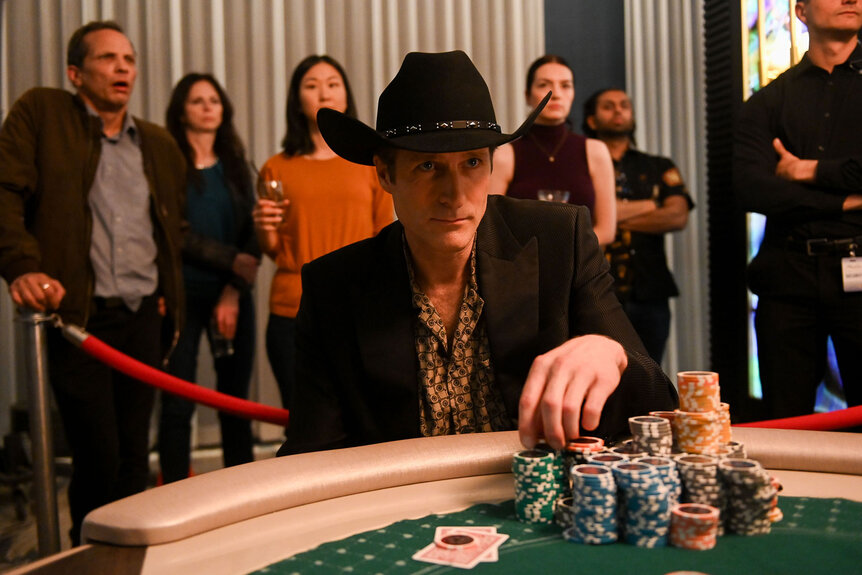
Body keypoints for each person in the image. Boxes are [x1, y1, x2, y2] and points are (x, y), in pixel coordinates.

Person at [279, 50, 676, 457]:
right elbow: (312, 454)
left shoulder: (559, 239)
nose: (454, 195)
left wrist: (613, 356)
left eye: (471, 162)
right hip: (400, 507)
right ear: (385, 173)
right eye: (428, 167)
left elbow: (658, 403)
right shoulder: (335, 286)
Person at [0, 21, 186, 544]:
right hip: (79, 318)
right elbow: (5, 191)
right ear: (75, 74)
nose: (123, 67)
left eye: (128, 59)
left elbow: (173, 228)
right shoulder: (42, 114)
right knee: (97, 456)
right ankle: (91, 555)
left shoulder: (157, 143)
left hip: (144, 316)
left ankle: (132, 557)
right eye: (108, 59)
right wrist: (21, 265)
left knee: (133, 456)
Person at [733, 0, 862, 419]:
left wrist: (806, 170)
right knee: (786, 420)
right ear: (801, 11)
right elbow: (751, 188)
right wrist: (844, 198)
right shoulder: (768, 101)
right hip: (788, 276)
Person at [253, 55, 394, 410]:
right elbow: (273, 249)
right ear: (297, 100)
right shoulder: (276, 167)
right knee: (303, 420)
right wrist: (262, 228)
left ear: (346, 97)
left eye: (333, 84)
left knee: (361, 422)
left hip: (359, 307)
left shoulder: (371, 163)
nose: (323, 93)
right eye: (311, 85)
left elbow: (384, 236)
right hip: (292, 307)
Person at [159, 73, 260, 483]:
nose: (207, 107)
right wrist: (231, 259)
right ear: (181, 110)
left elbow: (253, 235)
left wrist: (234, 290)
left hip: (230, 298)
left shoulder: (237, 165)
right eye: (197, 100)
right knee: (177, 404)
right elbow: (169, 229)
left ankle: (238, 491)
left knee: (235, 403)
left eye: (214, 100)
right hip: (180, 297)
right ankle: (172, 490)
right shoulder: (167, 162)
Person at [582, 88, 694, 364]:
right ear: (592, 120)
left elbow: (677, 216)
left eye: (624, 105)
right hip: (594, 290)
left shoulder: (657, 165)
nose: (618, 111)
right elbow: (579, 217)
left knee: (650, 375)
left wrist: (609, 215)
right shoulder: (580, 167)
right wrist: (648, 205)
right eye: (608, 106)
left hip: (649, 290)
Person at [489, 54, 616, 246]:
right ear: (527, 95)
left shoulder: (595, 151)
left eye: (565, 85)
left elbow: (607, 230)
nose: (556, 94)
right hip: (522, 266)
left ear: (573, 93)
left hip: (580, 268)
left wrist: (568, 252)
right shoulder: (505, 155)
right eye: (544, 85)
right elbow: (490, 226)